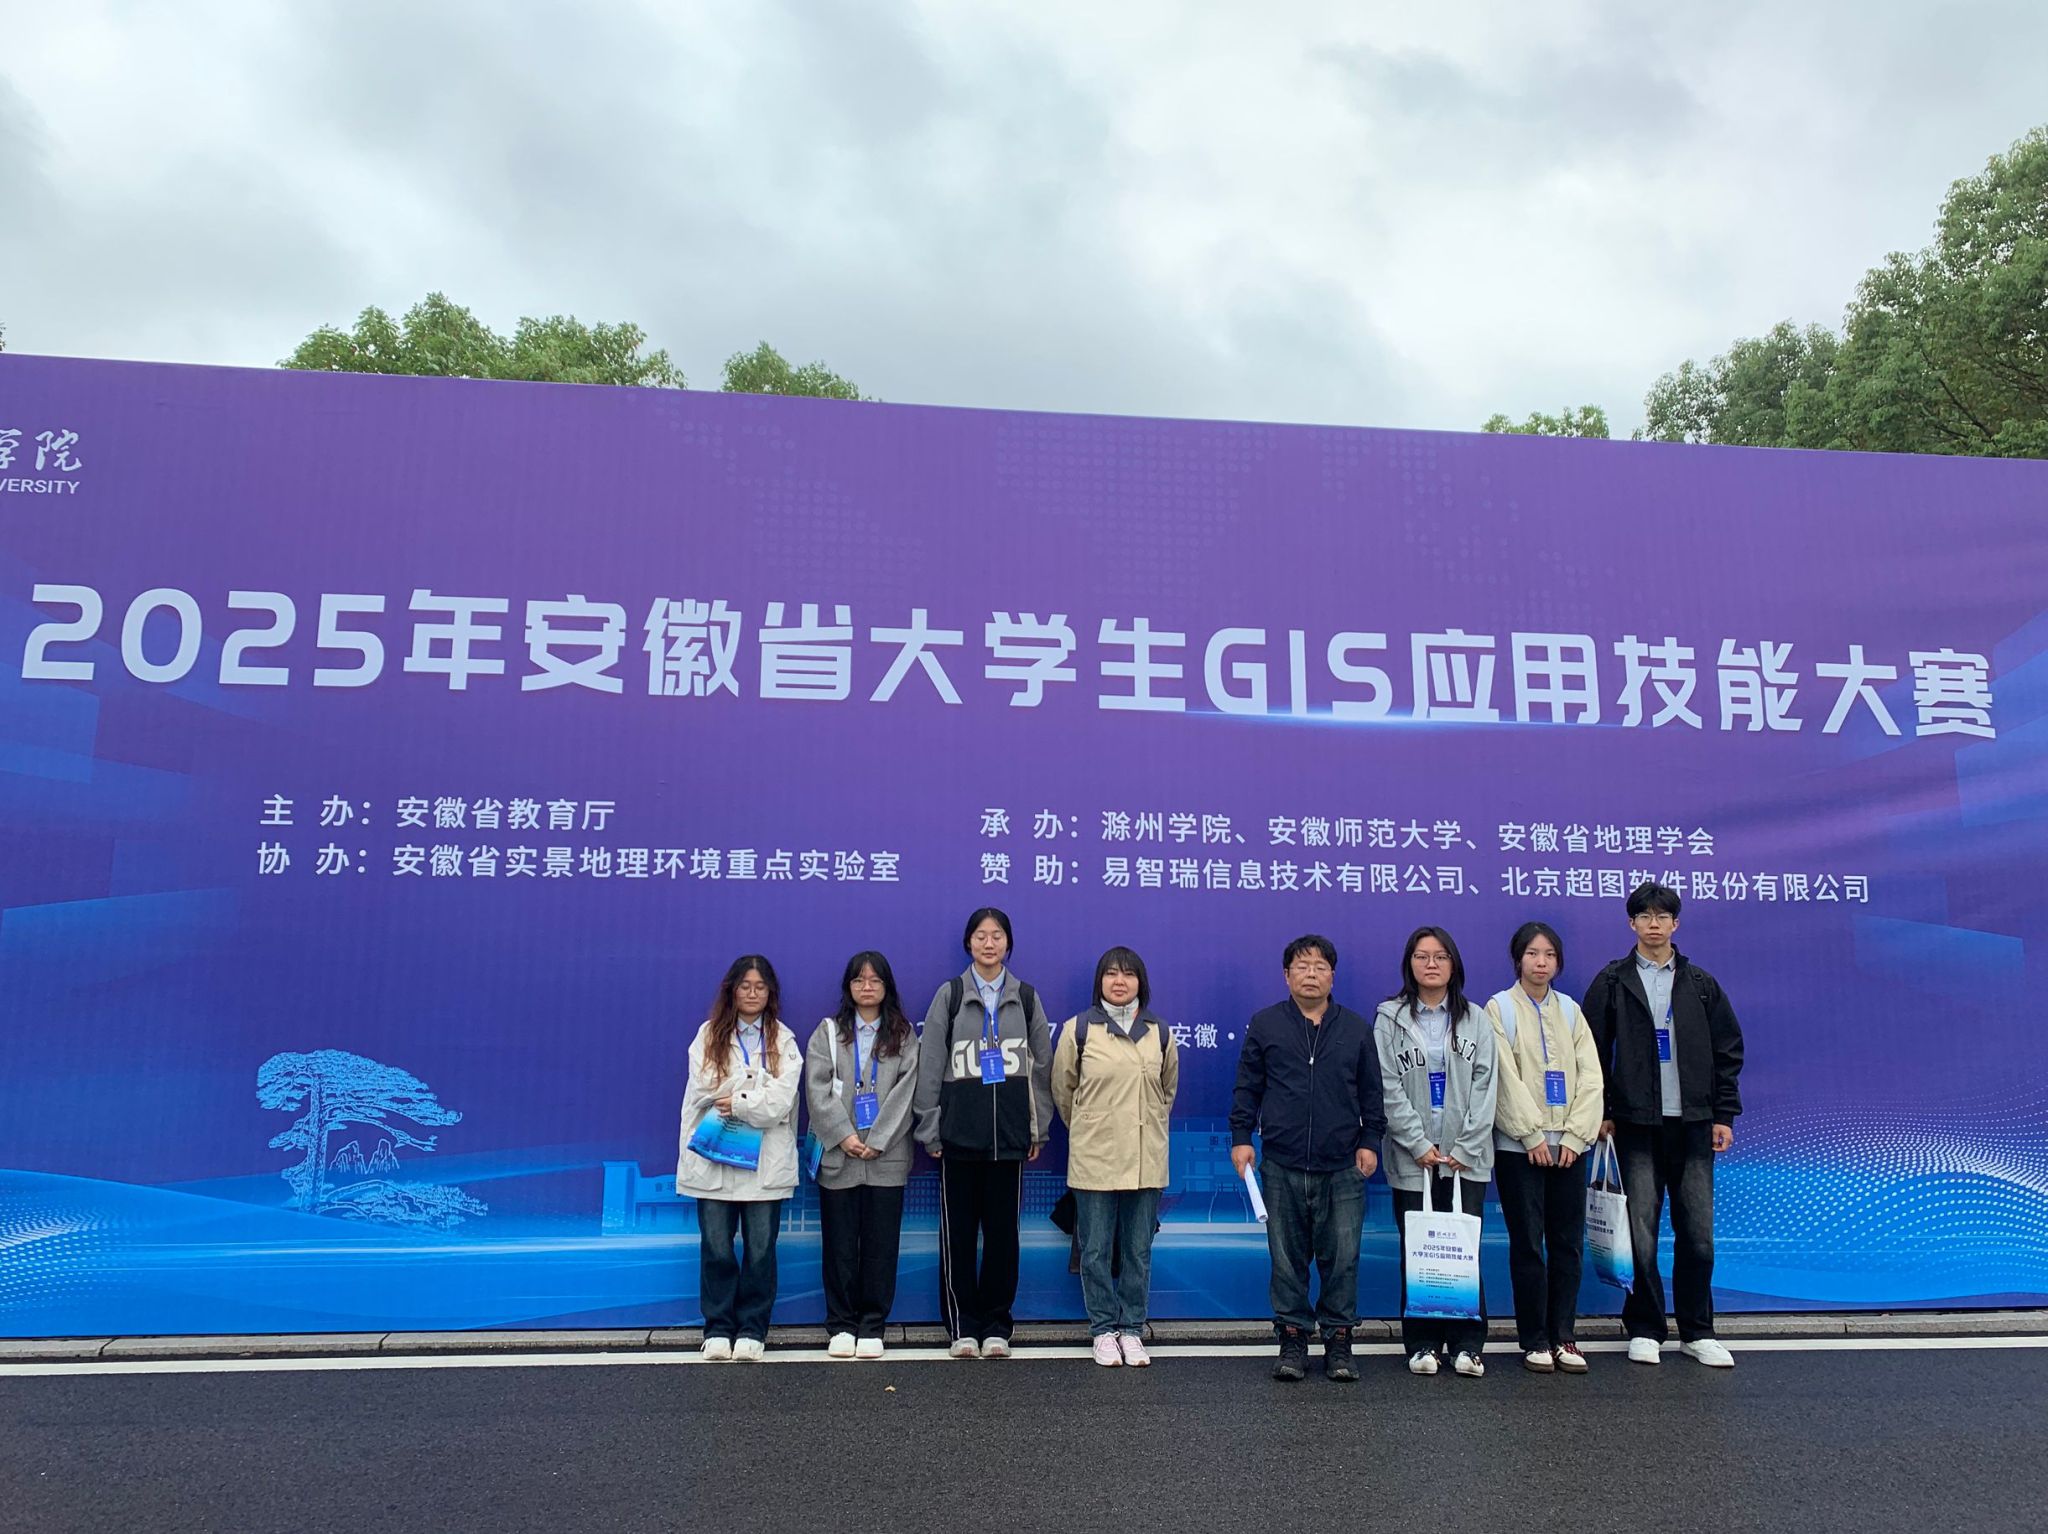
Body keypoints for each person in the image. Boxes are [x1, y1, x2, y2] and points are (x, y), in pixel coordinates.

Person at [1583, 881, 1745, 1369]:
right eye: (1644, 916)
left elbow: (1728, 1051)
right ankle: (1646, 1327)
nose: (1653, 924)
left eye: (1662, 916)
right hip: (1635, 1125)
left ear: (1676, 923)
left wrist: (1723, 1114)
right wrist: (1603, 1110)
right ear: (1631, 923)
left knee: (1698, 1235)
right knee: (1641, 1234)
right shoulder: (1612, 982)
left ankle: (1698, 1331)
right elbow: (1591, 1052)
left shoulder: (1700, 983)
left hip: (1693, 1124)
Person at [1229, 934, 1385, 1383]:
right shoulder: (1266, 1024)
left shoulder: (1355, 1028)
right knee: (1286, 1260)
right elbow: (1248, 1087)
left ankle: (1339, 1340)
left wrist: (1370, 1140)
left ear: (1332, 975)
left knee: (1343, 1259)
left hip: (1342, 1165)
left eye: (1319, 966)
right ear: (1286, 975)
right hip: (1282, 1162)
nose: (1311, 974)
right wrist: (1241, 1136)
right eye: (1302, 966)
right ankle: (1293, 1338)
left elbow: (1372, 1093)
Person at [912, 907, 1054, 1359]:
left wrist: (1036, 1129)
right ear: (968, 943)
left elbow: (1042, 1070)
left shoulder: (1026, 998)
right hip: (958, 1139)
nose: (988, 943)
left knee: (1002, 1239)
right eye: (980, 936)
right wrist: (930, 1127)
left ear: (1008, 944)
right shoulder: (950, 995)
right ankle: (961, 1327)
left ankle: (996, 1326)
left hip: (1009, 1140)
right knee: (957, 1237)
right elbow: (930, 1065)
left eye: (996, 936)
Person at [1377, 925, 1498, 1379]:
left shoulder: (1476, 1019)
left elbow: (1487, 1085)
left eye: (1441, 956)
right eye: (1422, 956)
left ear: (1454, 965)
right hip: (1413, 1158)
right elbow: (1387, 1086)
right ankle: (1422, 1343)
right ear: (1409, 963)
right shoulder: (1389, 1018)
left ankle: (1468, 1345)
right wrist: (1418, 1143)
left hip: (1467, 1160)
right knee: (1419, 1249)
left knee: (1464, 1250)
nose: (1431, 964)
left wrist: (1465, 1146)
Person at [1051, 946, 1180, 1368]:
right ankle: (1103, 1329)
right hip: (1095, 1157)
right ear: (1099, 982)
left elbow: (1166, 1093)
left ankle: (1132, 1329)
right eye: (1111, 973)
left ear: (1141, 982)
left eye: (1128, 974)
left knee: (1138, 1251)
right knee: (1095, 1250)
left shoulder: (1160, 1032)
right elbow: (1064, 1092)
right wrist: (1092, 1129)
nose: (1119, 981)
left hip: (1145, 1159)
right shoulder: (1078, 1030)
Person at [1485, 921, 1604, 1374]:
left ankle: (1564, 1336)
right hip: (1519, 1150)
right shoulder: (1499, 1008)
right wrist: (1530, 1135)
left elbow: (1591, 1076)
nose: (1541, 962)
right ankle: (1534, 1338)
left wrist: (1575, 1136)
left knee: (1567, 1243)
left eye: (1549, 955)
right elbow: (1502, 1077)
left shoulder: (1571, 1011)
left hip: (1570, 1148)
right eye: (1533, 953)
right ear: (1518, 959)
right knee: (1528, 1244)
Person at [677, 955, 801, 1361]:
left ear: (770, 993)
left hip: (764, 1162)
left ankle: (752, 1329)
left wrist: (742, 1099)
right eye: (745, 986)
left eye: (760, 986)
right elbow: (705, 1088)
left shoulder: (783, 1040)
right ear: (732, 990)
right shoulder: (708, 1035)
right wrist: (757, 1086)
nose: (752, 993)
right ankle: (717, 1328)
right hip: (715, 1158)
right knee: (716, 1247)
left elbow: (781, 1102)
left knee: (761, 1250)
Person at [804, 951, 920, 1360]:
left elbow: (907, 1091)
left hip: (886, 1158)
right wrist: (844, 1136)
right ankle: (840, 1324)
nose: (866, 987)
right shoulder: (828, 1033)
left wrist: (880, 1138)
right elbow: (816, 1090)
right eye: (859, 980)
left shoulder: (903, 1034)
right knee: (839, 1246)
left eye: (875, 980)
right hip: (840, 1157)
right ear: (848, 987)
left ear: (887, 987)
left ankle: (872, 1325)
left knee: (880, 1246)